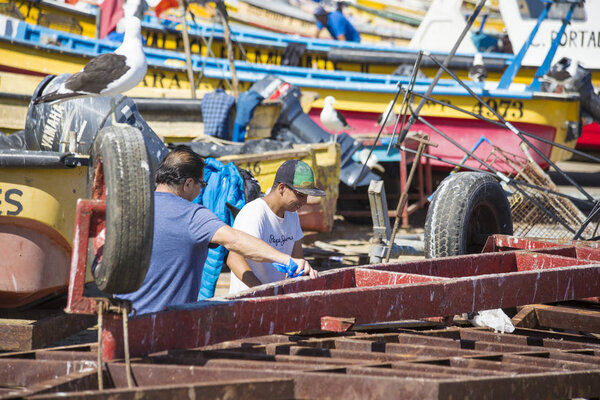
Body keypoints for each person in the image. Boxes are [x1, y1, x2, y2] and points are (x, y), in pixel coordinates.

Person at [117, 146, 314, 315]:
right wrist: (285, 260)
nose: (200, 191)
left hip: (123, 320)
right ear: (187, 184)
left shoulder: (130, 209)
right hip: (165, 324)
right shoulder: (193, 215)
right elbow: (234, 241)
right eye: (201, 184)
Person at [228, 160, 324, 294]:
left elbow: (297, 258)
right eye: (301, 195)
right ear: (282, 188)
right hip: (248, 300)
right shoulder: (254, 213)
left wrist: (305, 272)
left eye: (306, 196)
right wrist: (260, 290)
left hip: (272, 298)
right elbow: (233, 259)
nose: (305, 201)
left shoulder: (292, 215)